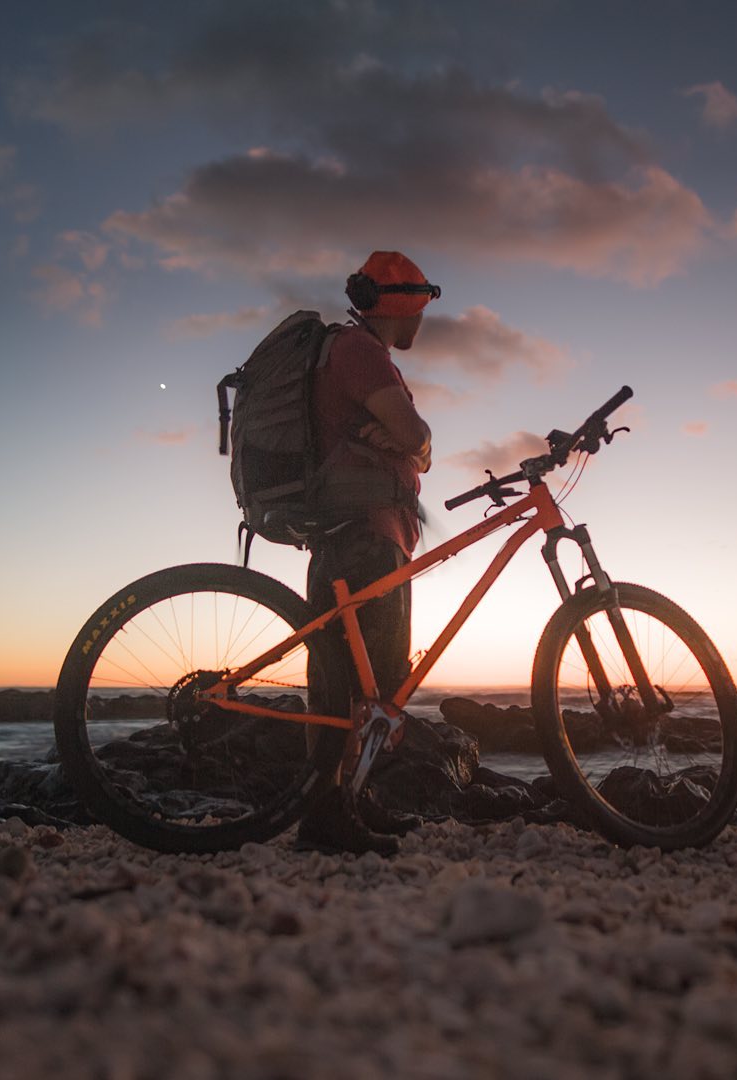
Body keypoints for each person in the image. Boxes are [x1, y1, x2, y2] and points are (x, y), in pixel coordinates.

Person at [295, 251, 439, 855]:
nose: (424, 319)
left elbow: (415, 450)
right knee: (352, 689)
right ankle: (325, 817)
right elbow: (417, 440)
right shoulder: (361, 352)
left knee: (362, 685)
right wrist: (415, 441)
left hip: (363, 533)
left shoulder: (355, 354)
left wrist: (413, 446)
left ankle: (346, 800)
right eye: (423, 305)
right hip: (366, 535)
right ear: (403, 303)